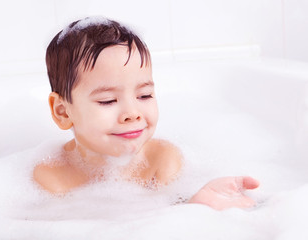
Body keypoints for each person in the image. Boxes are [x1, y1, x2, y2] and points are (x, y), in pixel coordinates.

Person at [33, 16, 259, 210]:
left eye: (145, 96)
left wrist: (199, 205)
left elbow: (164, 226)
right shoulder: (51, 177)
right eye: (108, 100)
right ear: (63, 112)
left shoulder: (162, 162)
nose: (132, 114)